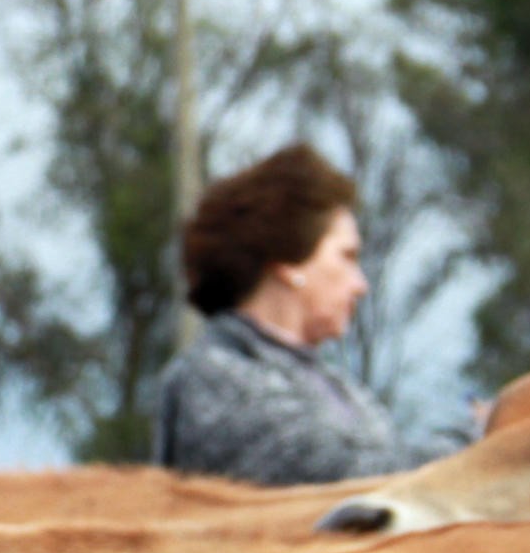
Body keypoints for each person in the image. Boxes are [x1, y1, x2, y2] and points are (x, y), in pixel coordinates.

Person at [153, 144, 412, 485]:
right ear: (291, 263)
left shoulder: (339, 386)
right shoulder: (213, 378)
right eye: (347, 257)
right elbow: (335, 480)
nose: (360, 285)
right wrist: (476, 447)